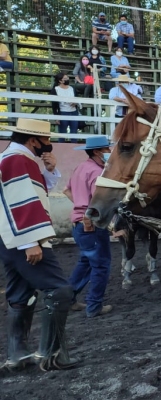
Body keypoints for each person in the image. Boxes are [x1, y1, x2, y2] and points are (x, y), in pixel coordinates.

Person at [0, 118, 78, 371]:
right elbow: (22, 202)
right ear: (32, 140)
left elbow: (34, 192)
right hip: (25, 238)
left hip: (12, 240)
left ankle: (18, 355)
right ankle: (51, 354)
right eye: (45, 141)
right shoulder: (18, 161)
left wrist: (49, 171)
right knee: (59, 290)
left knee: (21, 295)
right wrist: (31, 241)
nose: (49, 145)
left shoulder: (14, 159)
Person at [63, 136, 114, 318]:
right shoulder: (98, 173)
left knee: (86, 263)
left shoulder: (81, 168)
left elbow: (66, 190)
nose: (110, 152)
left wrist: (80, 207)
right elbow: (99, 202)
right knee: (101, 265)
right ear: (97, 152)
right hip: (91, 226)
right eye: (107, 149)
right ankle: (94, 306)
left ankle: (68, 299)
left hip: (79, 225)